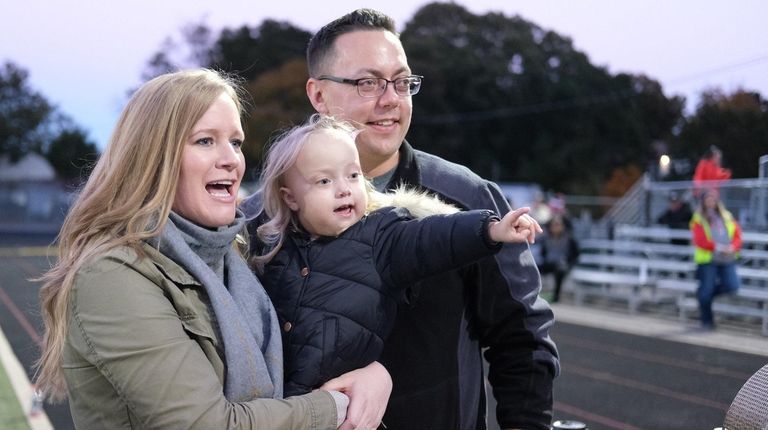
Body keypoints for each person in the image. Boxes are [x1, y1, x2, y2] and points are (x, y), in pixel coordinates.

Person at [241, 9, 559, 429]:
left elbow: (522, 338)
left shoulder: (467, 199)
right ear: (318, 95)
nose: (390, 98)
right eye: (367, 82)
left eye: (402, 81)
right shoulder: (258, 221)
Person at [34, 69, 391, 430]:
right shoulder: (112, 275)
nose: (231, 160)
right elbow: (204, 424)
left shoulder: (234, 255)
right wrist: (336, 406)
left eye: (235, 142)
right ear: (155, 158)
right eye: (205, 141)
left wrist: (377, 374)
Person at [251, 114, 540, 399]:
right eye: (324, 181)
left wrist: (489, 229)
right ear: (290, 198)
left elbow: (432, 237)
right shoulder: (274, 245)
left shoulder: (380, 236)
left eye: (353, 175)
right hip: (281, 406)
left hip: (339, 410)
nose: (344, 189)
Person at [690, 189, 742, 330]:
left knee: (733, 286)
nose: (711, 202)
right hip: (708, 259)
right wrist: (719, 247)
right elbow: (700, 240)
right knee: (706, 290)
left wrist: (732, 247)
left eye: (713, 199)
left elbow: (737, 235)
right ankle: (707, 321)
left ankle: (704, 295)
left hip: (727, 258)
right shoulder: (698, 218)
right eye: (708, 199)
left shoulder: (726, 216)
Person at [537, 215, 580, 303]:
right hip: (549, 263)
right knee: (532, 268)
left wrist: (570, 264)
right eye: (553, 225)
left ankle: (556, 296)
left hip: (562, 265)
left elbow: (576, 255)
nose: (555, 227)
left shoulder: (569, 238)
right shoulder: (546, 238)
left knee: (560, 271)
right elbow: (542, 252)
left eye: (557, 224)